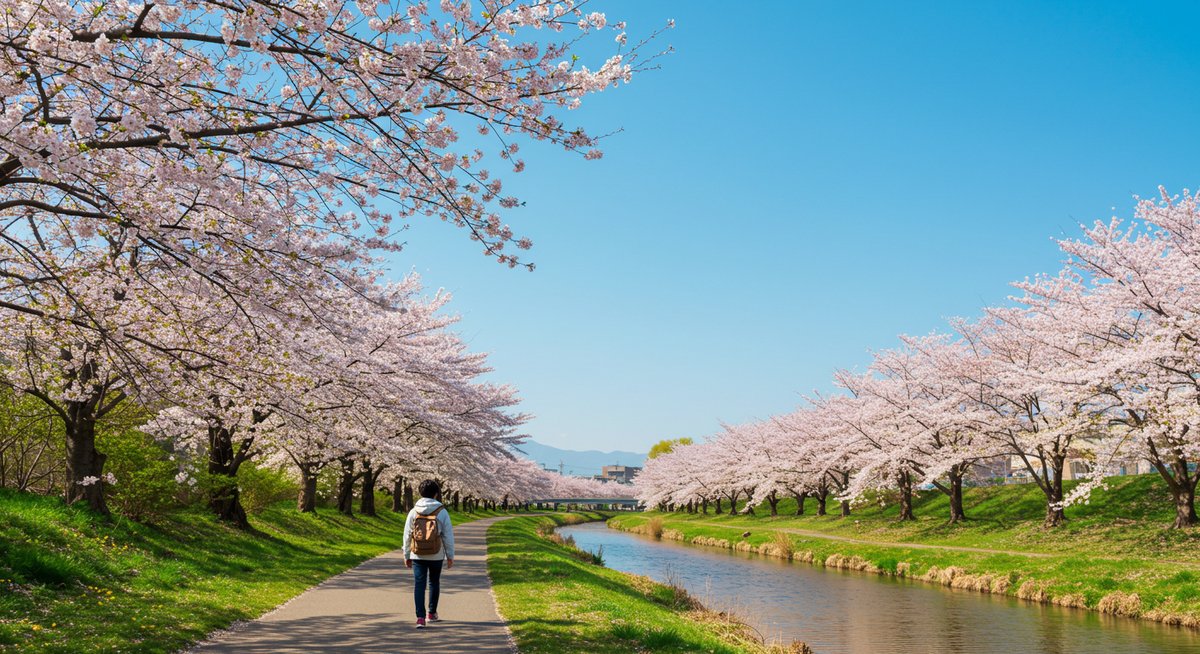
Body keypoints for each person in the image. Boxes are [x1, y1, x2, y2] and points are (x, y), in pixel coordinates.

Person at [403, 479, 455, 628]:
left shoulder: (414, 511)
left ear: (420, 492)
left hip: (417, 553)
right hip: (436, 553)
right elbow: (448, 536)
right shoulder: (442, 511)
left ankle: (420, 618)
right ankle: (431, 613)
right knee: (434, 582)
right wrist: (450, 556)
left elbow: (407, 535)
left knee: (419, 584)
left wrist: (406, 555)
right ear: (436, 493)